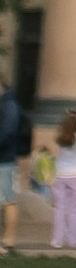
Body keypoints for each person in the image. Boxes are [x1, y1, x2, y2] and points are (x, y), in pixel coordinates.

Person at [49, 109, 76, 249]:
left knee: (59, 208)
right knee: (74, 209)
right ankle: (73, 239)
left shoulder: (60, 139)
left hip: (61, 174)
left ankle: (57, 239)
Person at [0, 74, 23, 252]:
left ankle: (8, 242)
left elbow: (6, 134)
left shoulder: (9, 106)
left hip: (4, 161)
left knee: (7, 201)